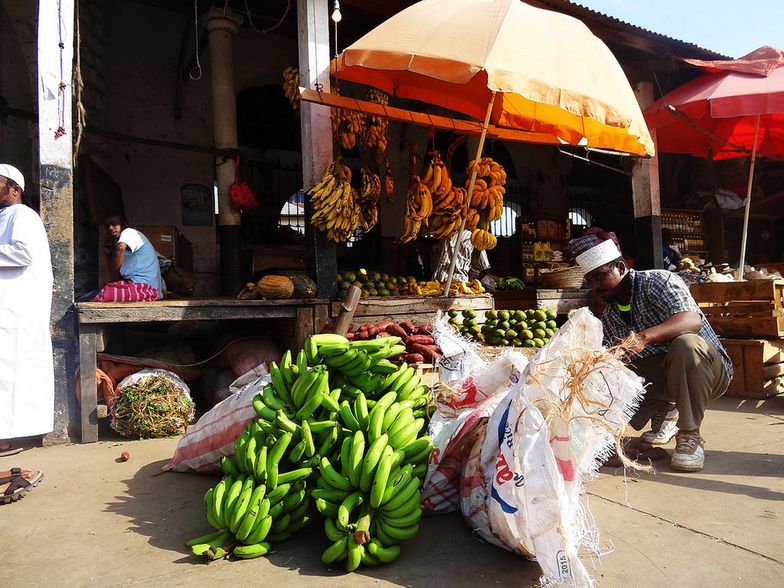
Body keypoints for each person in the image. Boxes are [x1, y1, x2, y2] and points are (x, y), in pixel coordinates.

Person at [574, 237, 731, 472]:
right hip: (661, 379)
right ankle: (666, 408)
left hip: (706, 372)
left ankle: (690, 435)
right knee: (608, 373)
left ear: (620, 267)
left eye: (599, 276)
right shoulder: (611, 314)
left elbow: (691, 320)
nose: (595, 287)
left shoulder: (659, 281)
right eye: (590, 281)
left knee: (685, 344)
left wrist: (643, 338)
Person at [0, 163, 50, 502]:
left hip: (15, 314)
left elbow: (23, 253)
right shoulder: (6, 217)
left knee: (10, 375)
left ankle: (6, 438)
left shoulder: (23, 216)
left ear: (13, 188)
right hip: (7, 312)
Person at [92, 214, 164, 302]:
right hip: (138, 287)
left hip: (145, 288)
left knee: (100, 295)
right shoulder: (122, 244)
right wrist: (107, 254)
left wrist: (114, 281)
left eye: (114, 224)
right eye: (107, 226)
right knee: (93, 295)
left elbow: (120, 248)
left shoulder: (129, 232)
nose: (110, 228)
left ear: (123, 224)